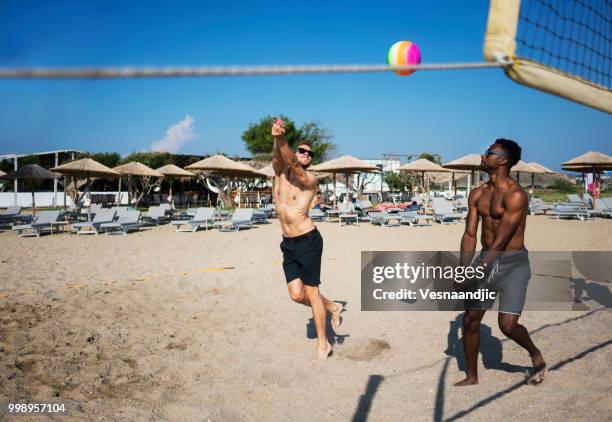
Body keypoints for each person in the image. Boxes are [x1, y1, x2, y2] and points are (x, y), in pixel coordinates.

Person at [455, 138, 546, 386]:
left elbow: (501, 242)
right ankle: (472, 376)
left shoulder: (516, 195)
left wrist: (477, 271)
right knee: (470, 320)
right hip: (486, 259)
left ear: (503, 160)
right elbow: (470, 234)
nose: (483, 156)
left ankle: (534, 352)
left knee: (507, 325)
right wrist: (464, 269)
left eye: (489, 153)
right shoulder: (478, 193)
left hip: (513, 263)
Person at [271, 117, 343, 360]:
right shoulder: (279, 174)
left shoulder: (310, 180)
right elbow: (278, 159)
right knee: (296, 295)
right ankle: (332, 306)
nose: (304, 154)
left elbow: (289, 159)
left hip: (309, 241)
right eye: (301, 150)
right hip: (288, 243)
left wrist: (281, 138)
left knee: (312, 294)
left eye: (308, 153)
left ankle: (323, 345)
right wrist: (275, 136)